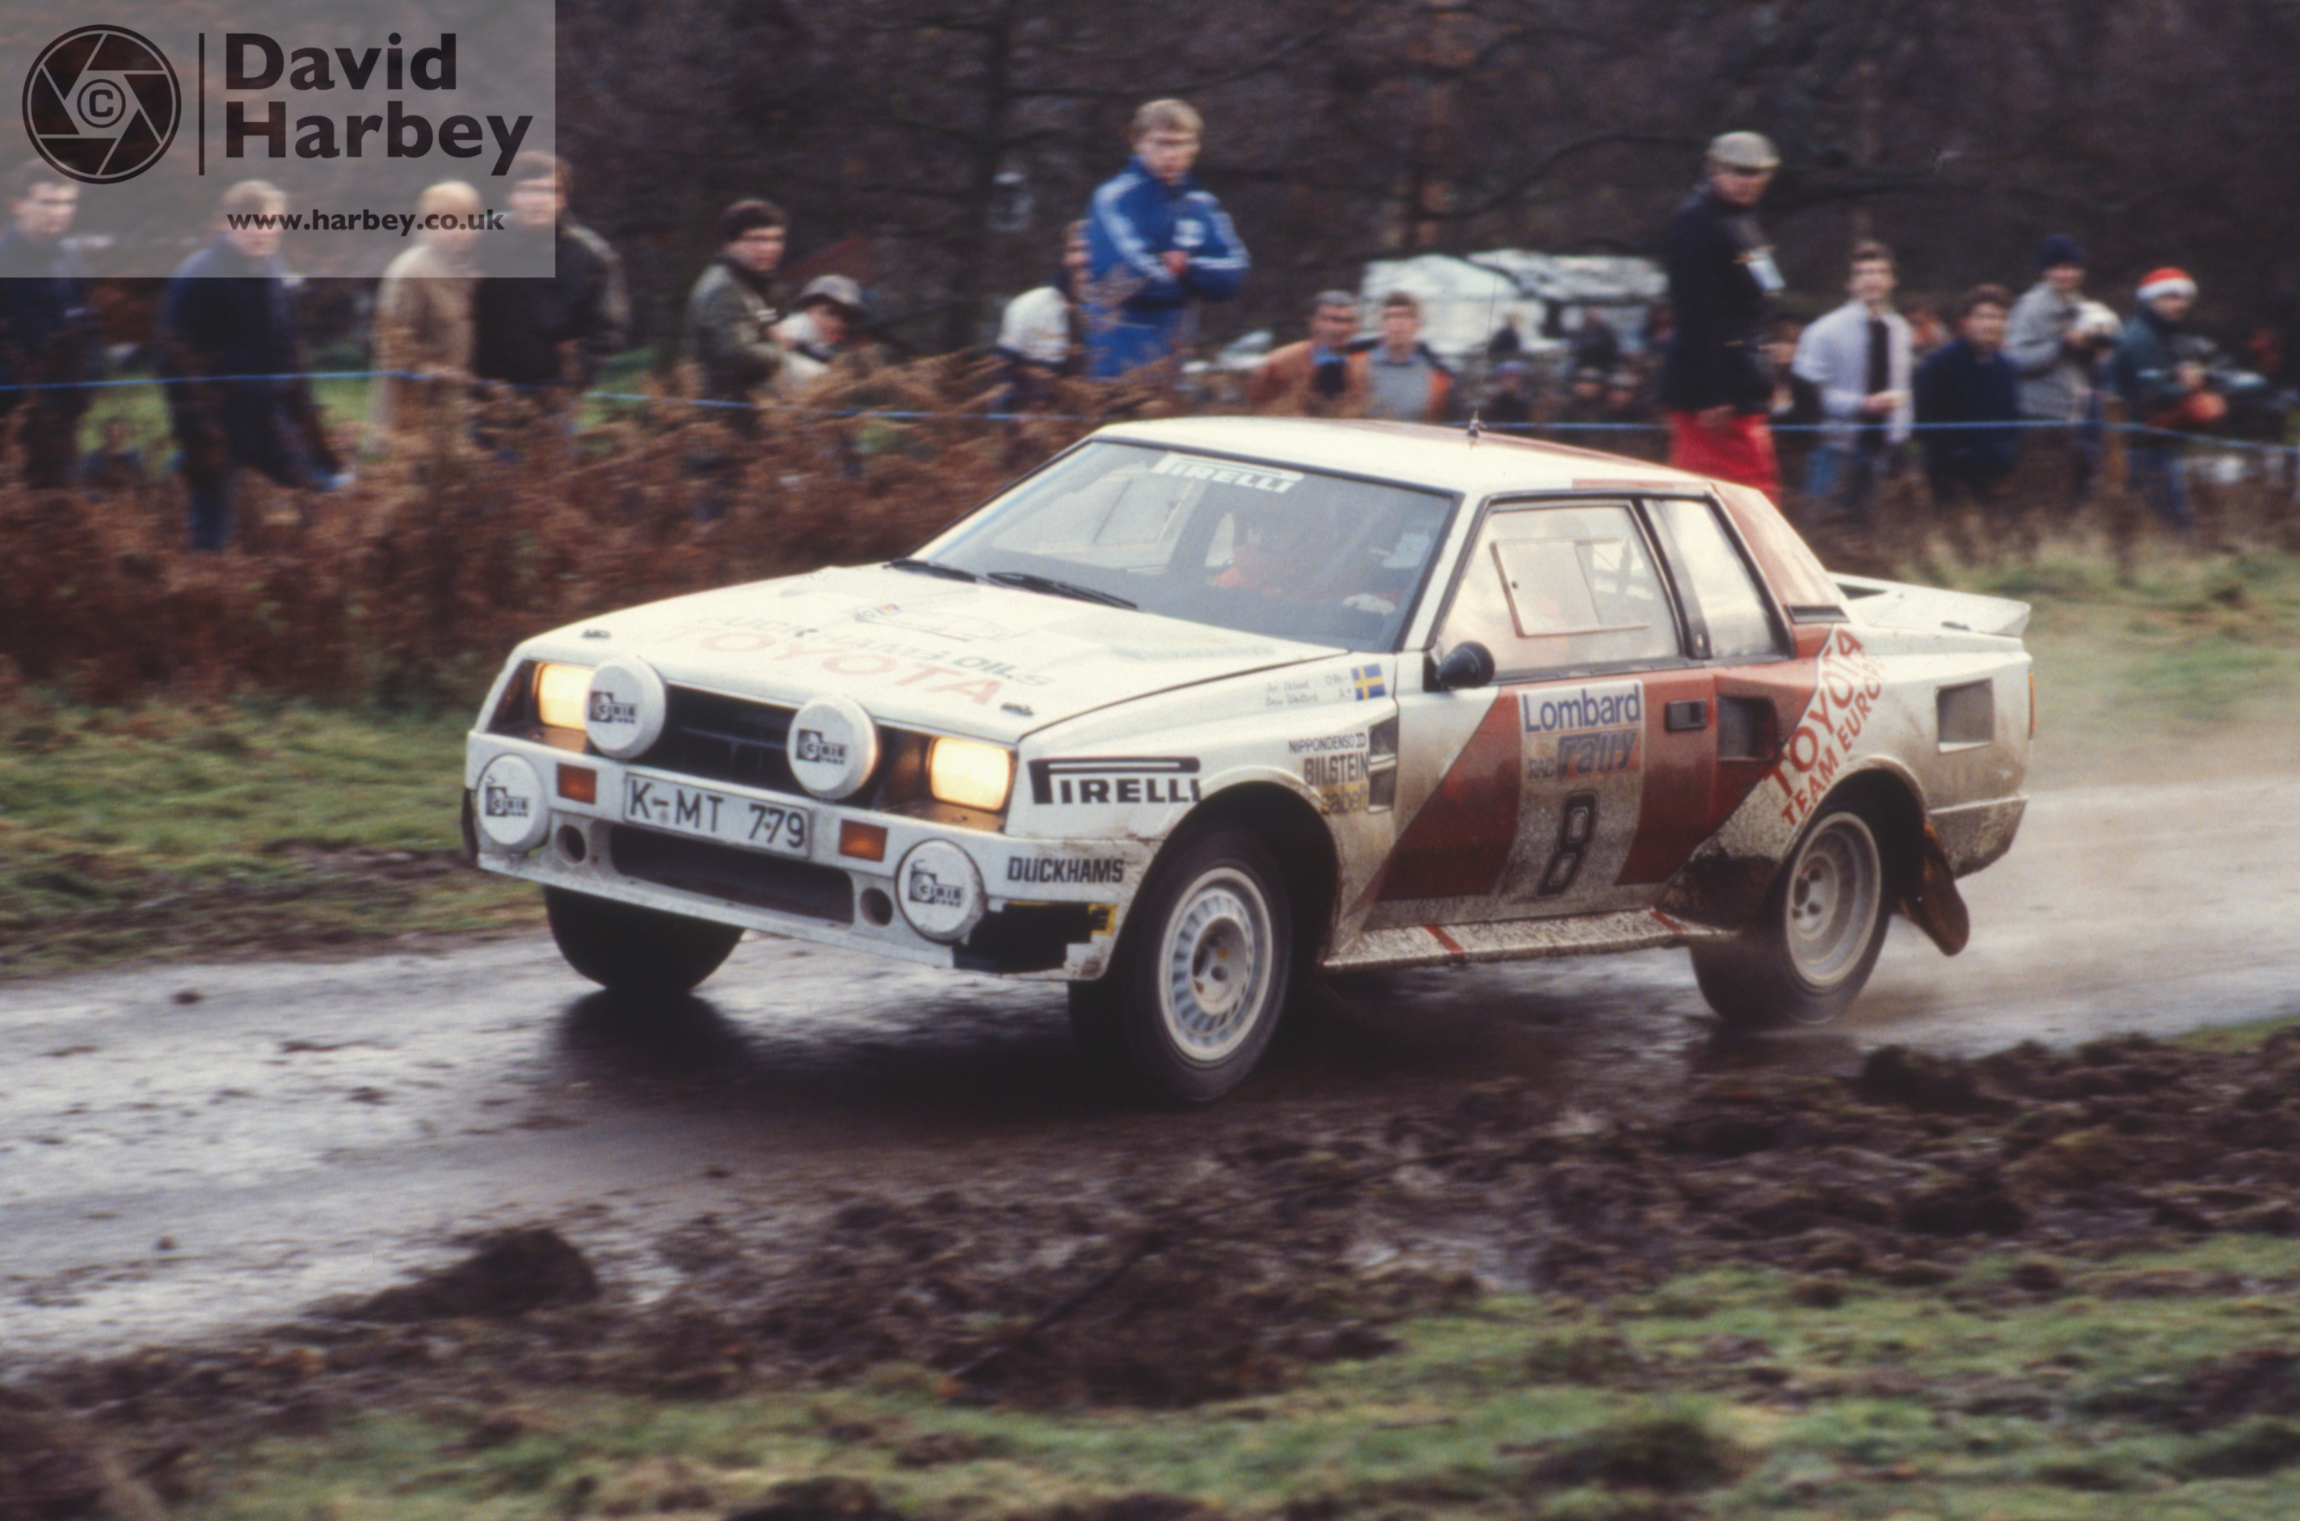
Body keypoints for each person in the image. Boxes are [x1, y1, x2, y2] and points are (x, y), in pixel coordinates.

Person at [159, 180, 342, 551]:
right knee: (211, 525)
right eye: (254, 222)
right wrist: (194, 427)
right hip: (217, 424)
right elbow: (171, 359)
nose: (264, 232)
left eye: (273, 222)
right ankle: (205, 589)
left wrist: (303, 412)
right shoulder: (197, 276)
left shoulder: (274, 273)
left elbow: (289, 350)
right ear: (227, 224)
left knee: (318, 492)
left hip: (269, 419)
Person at [1080, 98, 1248, 380]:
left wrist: (1185, 267)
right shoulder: (1113, 198)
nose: (1172, 154)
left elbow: (1233, 274)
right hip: (1116, 360)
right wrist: (1194, 284)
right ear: (1138, 143)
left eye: (1181, 143)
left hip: (1175, 360)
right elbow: (1126, 276)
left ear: (1195, 147)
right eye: (1162, 143)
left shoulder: (1202, 204)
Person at [1658, 130, 1785, 496]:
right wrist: (1712, 391)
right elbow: (1696, 313)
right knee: (1728, 494)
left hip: (1742, 383)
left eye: (1759, 173)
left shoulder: (1741, 220)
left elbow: (1758, 302)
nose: (1750, 181)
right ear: (1714, 169)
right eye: (1739, 171)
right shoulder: (1697, 224)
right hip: (1713, 393)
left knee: (1749, 490)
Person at [472, 153, 628, 398]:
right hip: (484, 395)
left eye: (549, 191)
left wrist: (570, 383)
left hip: (553, 402)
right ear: (510, 197)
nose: (537, 201)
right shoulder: (481, 239)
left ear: (563, 200)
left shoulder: (590, 257)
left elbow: (607, 332)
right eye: (527, 190)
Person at [1792, 239, 1913, 524]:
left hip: (1885, 453)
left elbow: (1905, 390)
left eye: (1880, 272)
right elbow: (1808, 395)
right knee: (1822, 533)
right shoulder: (1824, 331)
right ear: (1849, 283)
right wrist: (1859, 405)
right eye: (1862, 273)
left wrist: (1902, 440)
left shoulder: (1902, 331)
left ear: (1892, 280)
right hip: (1837, 451)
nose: (1871, 279)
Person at [0, 162, 95, 488]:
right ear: (17, 205)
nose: (60, 212)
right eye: (48, 202)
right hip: (10, 423)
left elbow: (89, 330)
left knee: (64, 513)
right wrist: (23, 398)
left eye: (68, 203)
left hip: (64, 421)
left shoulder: (73, 259)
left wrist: (88, 383)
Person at [369, 180, 482, 450]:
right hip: (410, 412)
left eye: (468, 222)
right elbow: (391, 345)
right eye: (448, 222)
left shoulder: (466, 268)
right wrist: (433, 372)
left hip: (450, 409)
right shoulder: (411, 272)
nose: (459, 231)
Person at [2005, 234, 2112, 503]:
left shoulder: (2083, 306)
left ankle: (2065, 541)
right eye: (2059, 268)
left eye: (2072, 268)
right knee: (2040, 492)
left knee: (2076, 491)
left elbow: (2093, 363)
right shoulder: (2030, 306)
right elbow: (2016, 360)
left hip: (2074, 412)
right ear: (2046, 271)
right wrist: (2061, 343)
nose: (2066, 274)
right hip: (2038, 414)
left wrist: (2092, 349)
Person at [2114, 267, 2216, 536]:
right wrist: (2186, 386)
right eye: (2170, 296)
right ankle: (2181, 563)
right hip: (2138, 442)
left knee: (2165, 515)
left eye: (2183, 297)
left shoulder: (2165, 333)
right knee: (2173, 521)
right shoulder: (2140, 338)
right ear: (2151, 299)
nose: (2179, 304)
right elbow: (2152, 394)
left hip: (2154, 439)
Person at [1914, 284, 2021, 510]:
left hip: (1994, 474)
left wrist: (2007, 455)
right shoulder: (1941, 363)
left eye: (1997, 317)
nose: (1989, 324)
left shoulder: (2005, 366)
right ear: (1967, 321)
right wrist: (1955, 457)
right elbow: (1927, 422)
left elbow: (2011, 419)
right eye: (1982, 316)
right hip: (1949, 476)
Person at [683, 199, 786, 414]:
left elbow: (763, 322)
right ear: (729, 243)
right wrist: (780, 351)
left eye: (776, 239)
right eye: (757, 239)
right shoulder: (725, 287)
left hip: (747, 404)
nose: (769, 248)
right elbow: (736, 352)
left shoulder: (751, 280)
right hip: (727, 412)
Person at [995, 221, 1089, 408]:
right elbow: (1002, 388)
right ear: (1064, 257)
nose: (1081, 259)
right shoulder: (1028, 307)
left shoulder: (1131, 316)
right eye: (1073, 250)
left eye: (1089, 249)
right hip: (1038, 428)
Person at [1246, 290, 1367, 416]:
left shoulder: (1362, 364)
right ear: (1312, 321)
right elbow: (1257, 405)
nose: (1338, 328)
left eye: (1347, 321)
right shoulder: (1283, 361)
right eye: (1330, 319)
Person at [1361, 291, 1455, 423]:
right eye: (1389, 317)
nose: (1397, 324)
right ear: (1380, 324)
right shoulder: (1357, 366)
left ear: (1417, 324)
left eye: (1405, 317)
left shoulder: (1435, 376)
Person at [777, 274, 868, 394]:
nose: (836, 323)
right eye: (830, 312)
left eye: (846, 318)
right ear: (807, 308)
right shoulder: (790, 330)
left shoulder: (820, 343)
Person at [1480, 361, 1536, 431]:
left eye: (1513, 377)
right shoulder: (1491, 404)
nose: (1509, 381)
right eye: (1505, 377)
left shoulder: (1529, 405)